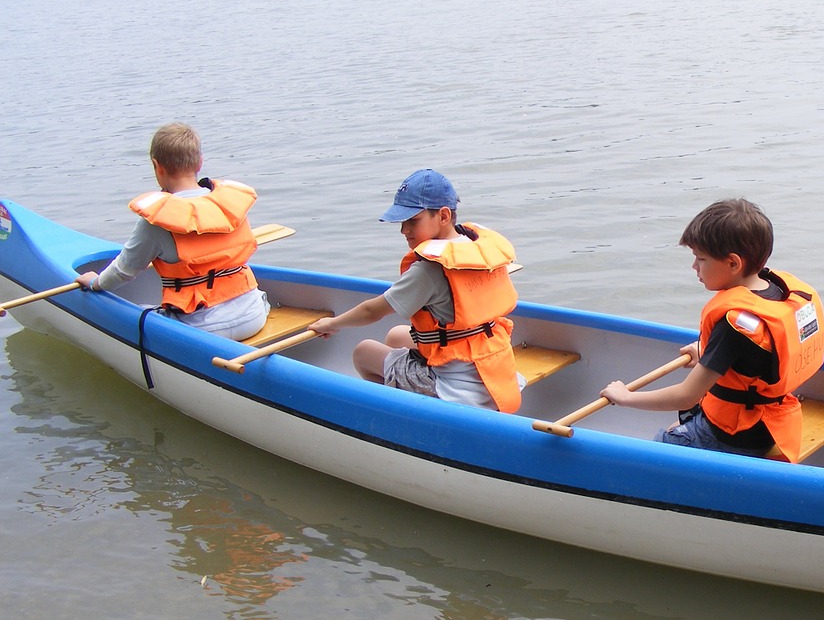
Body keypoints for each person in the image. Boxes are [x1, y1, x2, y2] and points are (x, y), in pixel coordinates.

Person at [599, 198, 824, 462]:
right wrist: (706, 352)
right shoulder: (776, 293)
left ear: (733, 264)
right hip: (769, 426)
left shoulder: (734, 325)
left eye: (701, 259)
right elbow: (751, 360)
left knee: (656, 451)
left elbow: (686, 396)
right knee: (684, 424)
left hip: (735, 437)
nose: (694, 267)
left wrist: (625, 397)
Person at [307, 168, 523, 413]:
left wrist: (331, 324)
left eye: (413, 221)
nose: (404, 230)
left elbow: (371, 311)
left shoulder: (429, 270)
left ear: (443, 216)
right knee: (397, 336)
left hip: (456, 392)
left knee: (363, 352)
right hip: (494, 373)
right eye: (402, 222)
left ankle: (402, 415)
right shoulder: (476, 248)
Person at [75, 122, 270, 341]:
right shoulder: (230, 207)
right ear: (200, 162)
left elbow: (123, 271)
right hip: (255, 314)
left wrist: (95, 283)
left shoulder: (157, 221)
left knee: (137, 311)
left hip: (202, 331)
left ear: (157, 166)